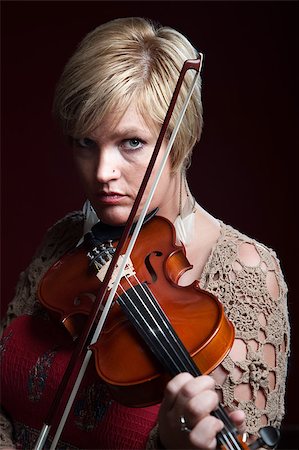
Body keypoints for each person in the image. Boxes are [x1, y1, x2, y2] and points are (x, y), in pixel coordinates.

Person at [0, 17, 290, 450]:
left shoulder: (247, 272)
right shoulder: (64, 241)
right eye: (85, 142)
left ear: (181, 140)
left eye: (131, 142)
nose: (102, 173)